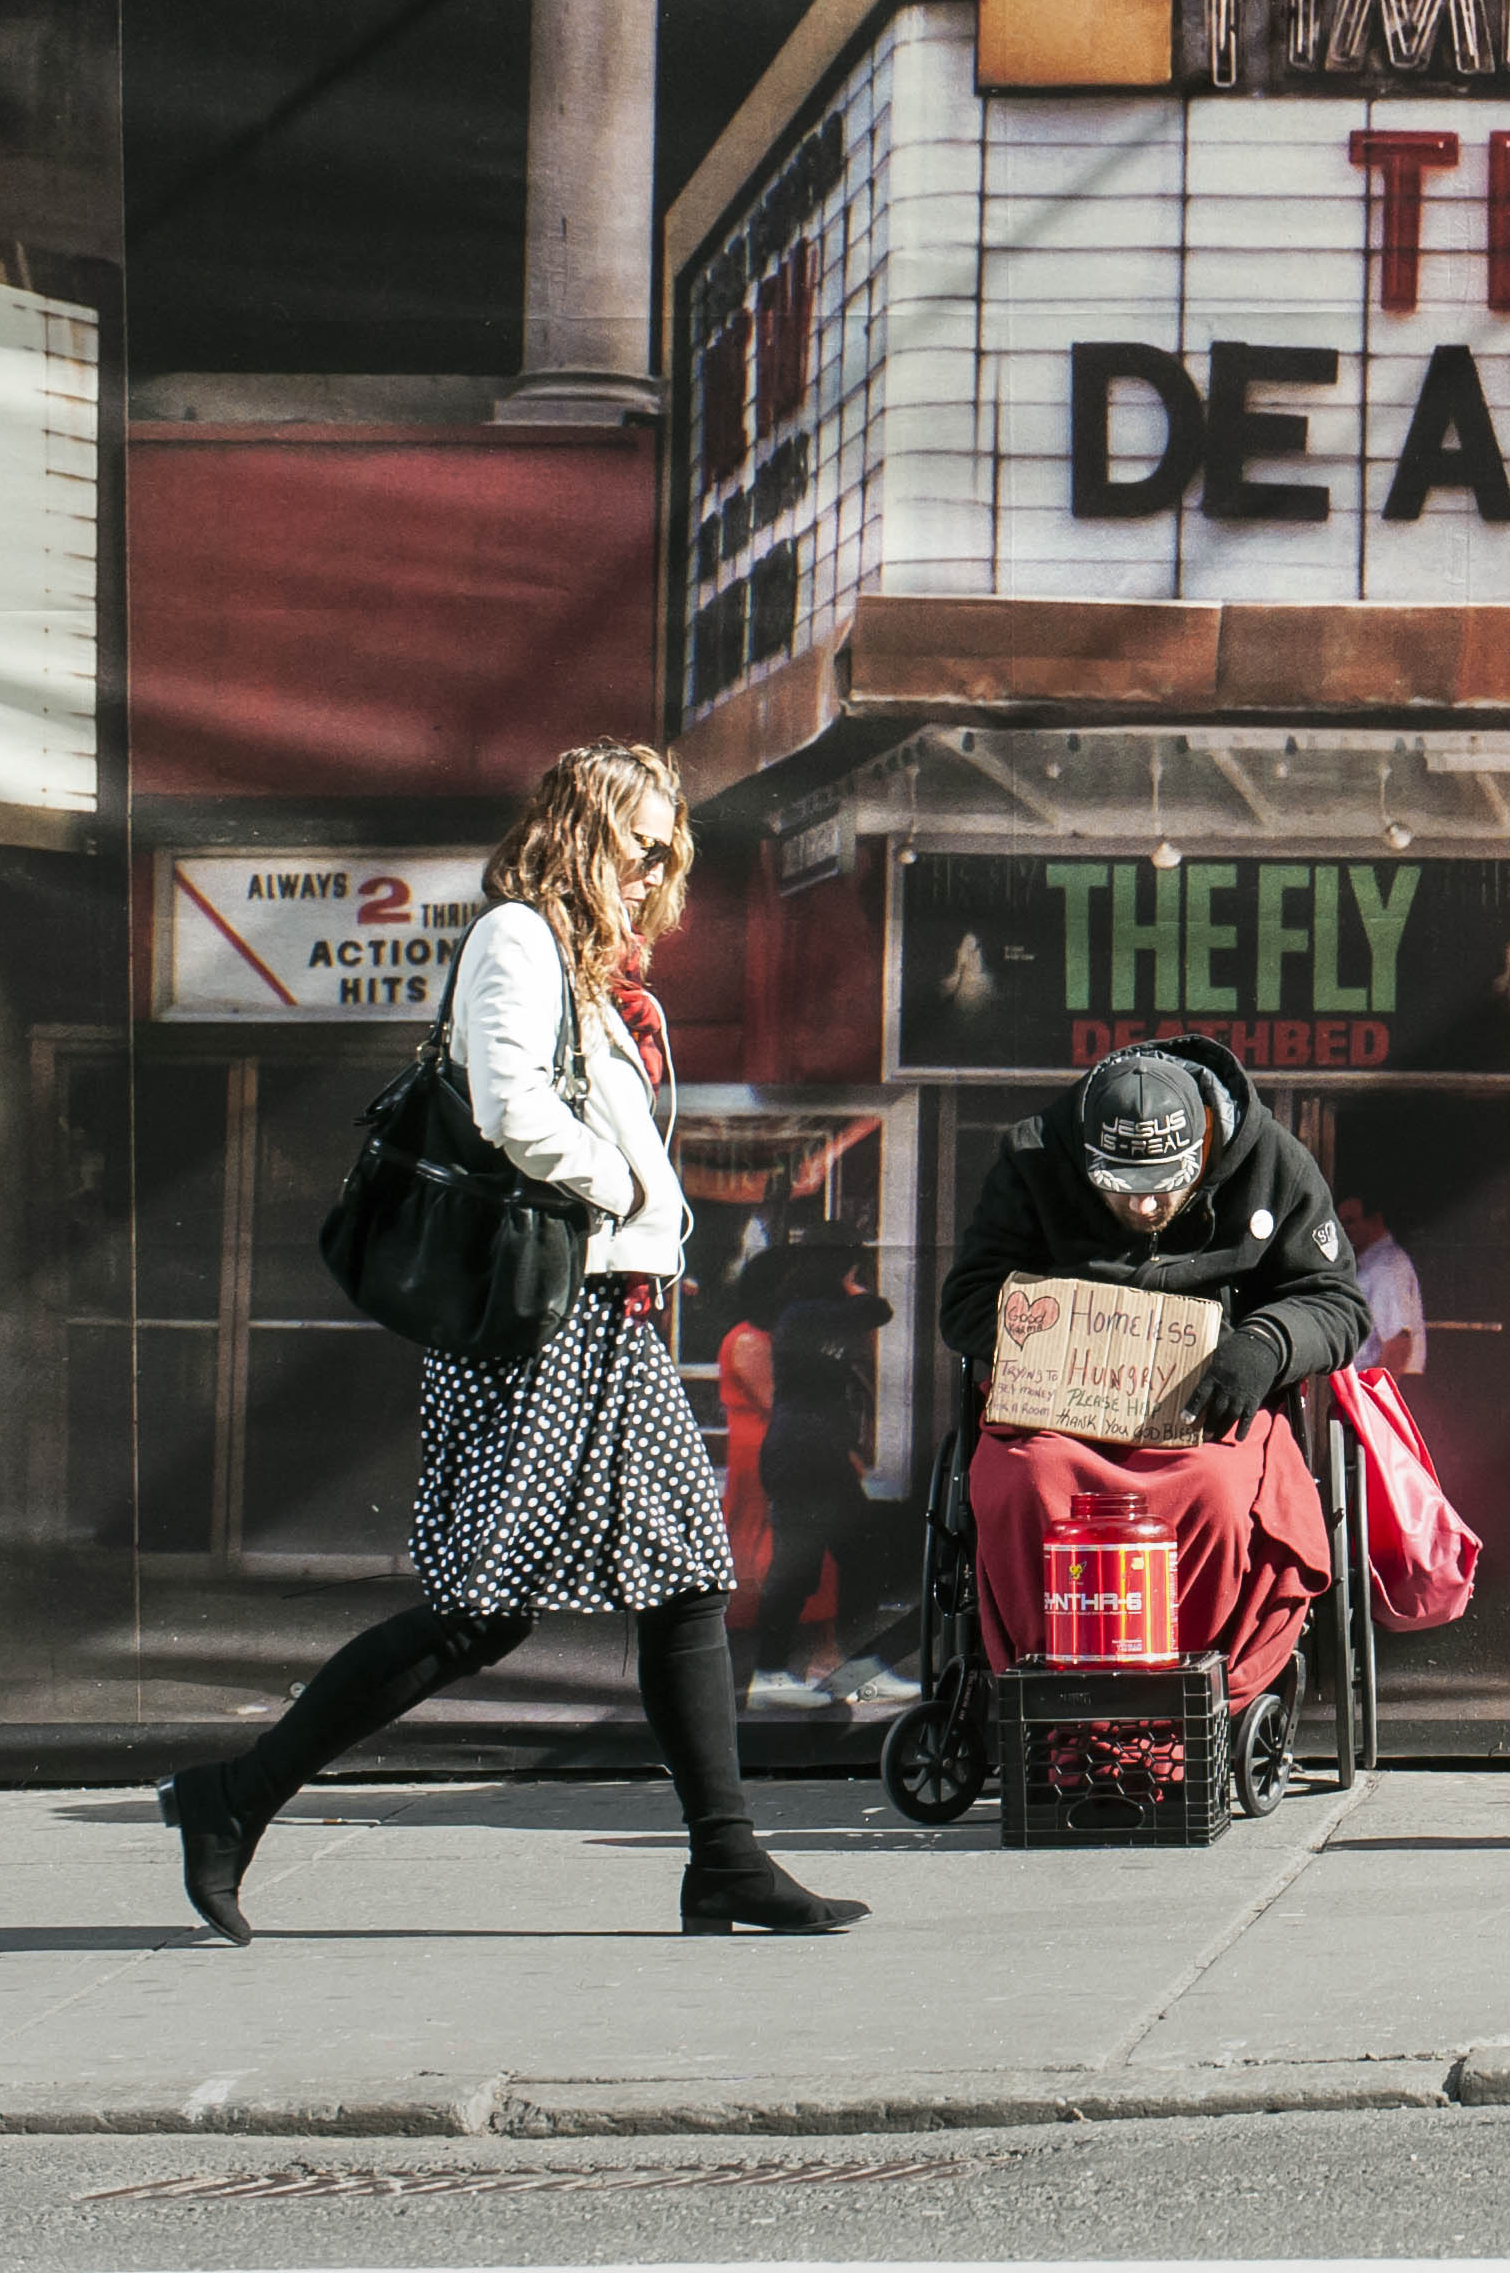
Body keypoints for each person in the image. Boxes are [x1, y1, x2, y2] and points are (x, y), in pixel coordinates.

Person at [154, 742, 863, 1941]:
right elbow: (507, 1106)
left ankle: (725, 1860)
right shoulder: (519, 941)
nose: (656, 869)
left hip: (614, 1323)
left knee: (690, 1580)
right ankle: (232, 1798)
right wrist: (623, 1199)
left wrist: (644, 1221)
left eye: (669, 850)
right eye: (641, 843)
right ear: (583, 832)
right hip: (541, 1326)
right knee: (479, 1610)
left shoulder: (594, 973)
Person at [939, 1037, 1369, 1798]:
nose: (1144, 1207)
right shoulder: (1034, 1156)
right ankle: (1062, 1719)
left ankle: (1183, 1718)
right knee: (1022, 1486)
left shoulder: (1273, 1159)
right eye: (1121, 1187)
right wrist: (1043, 1330)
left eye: (1164, 1186)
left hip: (1207, 1412)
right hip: (1063, 1415)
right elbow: (967, 1298)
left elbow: (1337, 1302)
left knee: (1212, 1496)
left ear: (1205, 1139)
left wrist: (1266, 1344)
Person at [744, 1248, 908, 1709]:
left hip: (817, 1457)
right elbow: (877, 1309)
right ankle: (772, 1675)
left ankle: (851, 1671)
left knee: (859, 1559)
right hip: (801, 1459)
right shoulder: (803, 1315)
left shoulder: (813, 1317)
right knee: (799, 1570)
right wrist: (854, 1286)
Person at [1339, 1195, 1427, 1375]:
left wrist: (1378, 1398)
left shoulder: (1385, 1267)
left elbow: (1397, 1343)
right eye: (1341, 1223)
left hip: (1381, 1387)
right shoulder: (1369, 1264)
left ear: (1375, 1220)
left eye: (1350, 1222)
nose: (1344, 1230)